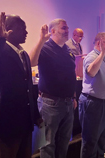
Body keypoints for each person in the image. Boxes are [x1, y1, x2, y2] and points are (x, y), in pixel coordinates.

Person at [0, 12, 42, 158]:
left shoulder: (24, 54)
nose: (26, 32)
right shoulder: (0, 51)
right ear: (9, 30)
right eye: (22, 28)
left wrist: (36, 115)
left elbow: (29, 87)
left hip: (25, 123)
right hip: (7, 123)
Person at [28, 19, 76, 158]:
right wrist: (41, 40)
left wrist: (73, 97)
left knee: (64, 141)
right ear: (52, 31)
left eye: (67, 28)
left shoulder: (68, 50)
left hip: (68, 103)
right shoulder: (45, 48)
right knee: (48, 144)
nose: (67, 31)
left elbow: (71, 75)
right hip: (50, 104)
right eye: (63, 28)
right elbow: (31, 62)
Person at [78, 32, 105, 158]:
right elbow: (91, 72)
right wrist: (102, 54)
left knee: (103, 139)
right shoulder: (92, 56)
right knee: (91, 141)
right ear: (98, 43)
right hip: (95, 104)